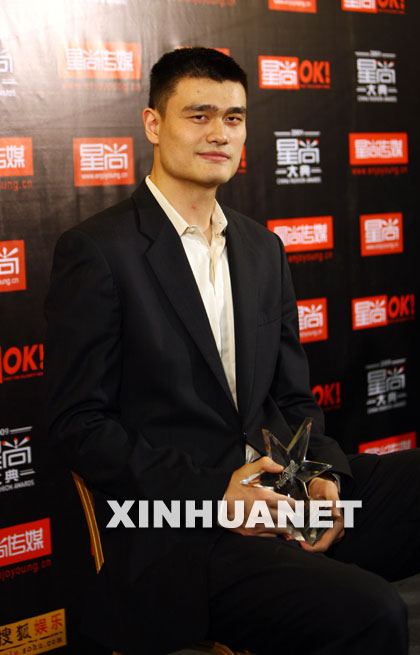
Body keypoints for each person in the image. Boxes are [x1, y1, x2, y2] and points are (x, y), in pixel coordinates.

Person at [45, 47, 419, 655]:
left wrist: (318, 475)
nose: (220, 132)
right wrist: (217, 495)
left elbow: (293, 398)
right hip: (185, 528)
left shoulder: (262, 248)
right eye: (199, 115)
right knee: (372, 613)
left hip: (282, 495)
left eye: (234, 118)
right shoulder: (98, 251)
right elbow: (77, 426)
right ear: (153, 124)